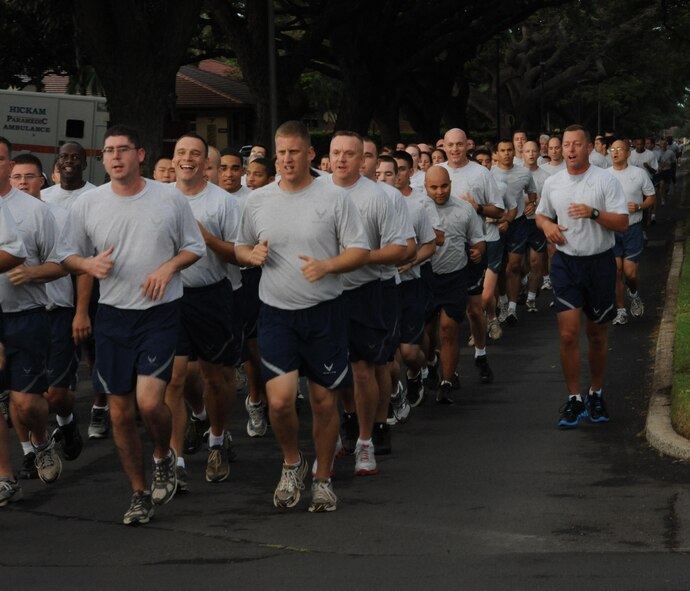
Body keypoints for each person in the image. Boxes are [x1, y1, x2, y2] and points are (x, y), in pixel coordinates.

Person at [58, 124, 206, 525]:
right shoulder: (88, 205)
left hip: (159, 313)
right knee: (121, 414)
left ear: (140, 155)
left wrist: (168, 267)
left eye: (123, 149)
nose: (116, 156)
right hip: (114, 317)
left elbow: (195, 247)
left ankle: (163, 455)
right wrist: (88, 264)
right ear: (102, 158)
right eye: (109, 151)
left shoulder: (169, 199)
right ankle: (139, 492)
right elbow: (68, 255)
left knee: (148, 402)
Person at [235, 120, 369, 512]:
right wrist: (249, 255)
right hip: (276, 313)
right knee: (279, 402)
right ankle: (293, 462)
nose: (287, 160)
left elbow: (359, 250)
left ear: (311, 155)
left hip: (325, 313)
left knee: (324, 403)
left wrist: (328, 266)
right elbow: (240, 247)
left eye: (295, 152)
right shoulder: (257, 200)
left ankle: (323, 479)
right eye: (281, 153)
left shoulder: (334, 198)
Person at [535, 125, 628, 428]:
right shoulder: (553, 182)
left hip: (599, 263)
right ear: (560, 149)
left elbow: (623, 223)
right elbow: (541, 214)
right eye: (566, 145)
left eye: (577, 144)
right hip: (567, 264)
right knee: (568, 333)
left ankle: (596, 391)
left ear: (589, 148)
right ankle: (575, 398)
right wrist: (546, 227)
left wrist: (594, 213)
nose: (571, 150)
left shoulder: (605, 180)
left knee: (597, 334)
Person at [163, 133, 240, 493]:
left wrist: (207, 238)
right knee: (175, 378)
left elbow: (239, 255)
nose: (187, 159)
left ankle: (217, 440)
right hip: (170, 297)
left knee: (215, 378)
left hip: (212, 295)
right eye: (181, 153)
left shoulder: (223, 202)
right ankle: (175, 460)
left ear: (206, 163)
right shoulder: (159, 199)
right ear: (173, 158)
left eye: (195, 154)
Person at [327, 132, 407, 475]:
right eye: (336, 153)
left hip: (365, 291)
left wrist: (360, 258)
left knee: (363, 370)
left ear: (364, 160)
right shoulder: (314, 192)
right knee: (326, 374)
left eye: (350, 154)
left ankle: (366, 440)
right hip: (323, 294)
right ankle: (335, 431)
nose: (342, 159)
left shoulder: (380, 197)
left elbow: (400, 249)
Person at [10, 154, 84, 470]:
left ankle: (65, 421)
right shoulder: (4, 215)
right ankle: (31, 450)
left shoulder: (60, 216)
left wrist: (82, 312)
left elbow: (79, 268)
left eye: (30, 176)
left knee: (55, 393)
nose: (23, 182)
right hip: (17, 313)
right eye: (17, 177)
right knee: (19, 392)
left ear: (44, 180)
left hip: (57, 311)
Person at [0, 138, 66, 488]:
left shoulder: (35, 211)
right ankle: (5, 476)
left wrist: (31, 272)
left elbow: (61, 264)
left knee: (26, 402)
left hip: (26, 314)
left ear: (9, 165)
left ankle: (41, 441)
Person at [41, 142, 106, 441]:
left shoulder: (94, 196)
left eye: (76, 157)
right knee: (56, 353)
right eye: (65, 157)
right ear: (57, 162)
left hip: (88, 280)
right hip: (53, 285)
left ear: (85, 161)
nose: (70, 162)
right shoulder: (43, 197)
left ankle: (99, 405)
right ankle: (62, 412)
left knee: (92, 349)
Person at [438, 129, 502, 381]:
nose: (454, 149)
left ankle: (481, 354)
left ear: (468, 146)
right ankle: (443, 368)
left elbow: (498, 210)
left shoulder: (481, 173)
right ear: (443, 146)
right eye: (450, 145)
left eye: (459, 145)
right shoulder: (437, 172)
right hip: (440, 251)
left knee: (474, 310)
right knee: (442, 317)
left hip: (473, 248)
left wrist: (477, 207)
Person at [423, 166, 485, 403]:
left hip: (455, 276)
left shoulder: (464, 209)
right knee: (426, 333)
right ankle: (430, 363)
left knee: (448, 329)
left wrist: (478, 252)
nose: (440, 192)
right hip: (427, 277)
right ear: (426, 186)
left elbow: (479, 240)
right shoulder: (419, 208)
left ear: (451, 183)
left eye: (444, 186)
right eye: (434, 187)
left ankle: (447, 382)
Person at [606, 139, 655, 325]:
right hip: (611, 230)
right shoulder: (604, 175)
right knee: (617, 271)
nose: (615, 152)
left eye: (620, 149)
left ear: (628, 153)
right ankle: (620, 311)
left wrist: (639, 206)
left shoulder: (639, 174)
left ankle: (633, 293)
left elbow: (651, 197)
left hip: (632, 228)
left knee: (630, 273)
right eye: (613, 149)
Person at [492, 139, 537, 324]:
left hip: (518, 223)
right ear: (497, 153)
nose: (506, 153)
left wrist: (532, 204)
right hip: (497, 223)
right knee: (499, 268)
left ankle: (512, 308)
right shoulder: (489, 174)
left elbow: (532, 192)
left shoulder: (524, 172)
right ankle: (502, 302)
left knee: (515, 266)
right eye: (502, 150)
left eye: (509, 150)